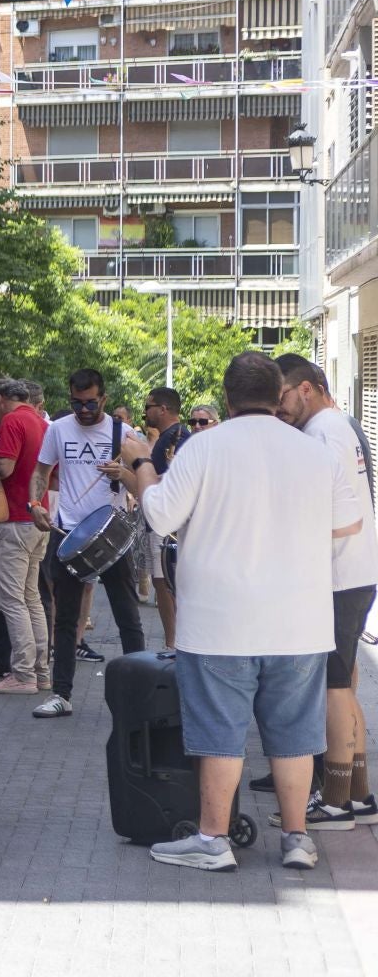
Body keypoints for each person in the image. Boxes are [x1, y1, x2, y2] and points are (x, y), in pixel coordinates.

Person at [109, 352, 364, 872]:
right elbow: (347, 525)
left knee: (219, 737)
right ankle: (297, 838)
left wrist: (142, 464)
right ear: (277, 395)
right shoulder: (313, 451)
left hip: (219, 623)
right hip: (299, 622)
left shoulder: (204, 447)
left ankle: (213, 839)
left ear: (227, 398)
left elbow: (160, 515)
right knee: (294, 738)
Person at [275, 356, 378, 828]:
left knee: (335, 687)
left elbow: (333, 511)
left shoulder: (319, 434)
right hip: (354, 573)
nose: (278, 408)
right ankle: (358, 795)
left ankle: (335, 803)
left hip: (337, 577)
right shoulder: (339, 426)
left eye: (281, 396)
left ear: (306, 389)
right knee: (343, 683)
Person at [27, 368, 145, 719]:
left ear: (103, 399)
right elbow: (40, 473)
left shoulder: (123, 434)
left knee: (127, 616)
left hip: (111, 535)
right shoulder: (58, 429)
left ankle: (140, 693)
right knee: (65, 618)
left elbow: (144, 487)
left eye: (91, 403)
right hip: (68, 532)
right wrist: (35, 505)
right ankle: (61, 694)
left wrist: (122, 473)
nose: (83, 410)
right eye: (76, 403)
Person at [0, 379, 49, 696]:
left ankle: (23, 674)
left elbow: (4, 468)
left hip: (14, 520)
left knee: (11, 601)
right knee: (30, 598)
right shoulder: (40, 422)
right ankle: (41, 672)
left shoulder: (12, 421)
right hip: (37, 518)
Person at [142, 386, 191, 651]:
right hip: (160, 522)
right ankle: (171, 642)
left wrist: (138, 472)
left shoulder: (178, 437)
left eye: (148, 407)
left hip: (168, 524)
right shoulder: (167, 437)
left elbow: (175, 479)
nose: (144, 413)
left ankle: (174, 645)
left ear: (163, 409)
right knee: (160, 584)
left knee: (166, 585)